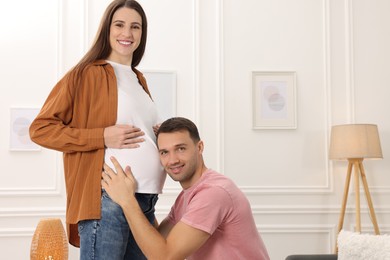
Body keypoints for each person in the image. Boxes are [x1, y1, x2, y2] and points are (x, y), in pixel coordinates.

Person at [29, 0, 165, 259]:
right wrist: (101, 135)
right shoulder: (84, 74)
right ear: (107, 29)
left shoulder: (139, 78)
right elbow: (41, 129)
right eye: (120, 25)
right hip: (108, 201)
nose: (127, 33)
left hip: (145, 201)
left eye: (135, 27)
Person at [102, 117, 270, 260]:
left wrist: (127, 201)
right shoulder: (187, 196)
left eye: (180, 148)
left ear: (199, 147)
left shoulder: (213, 193)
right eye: (164, 152)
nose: (173, 160)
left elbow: (164, 256)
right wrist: (141, 195)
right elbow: (158, 241)